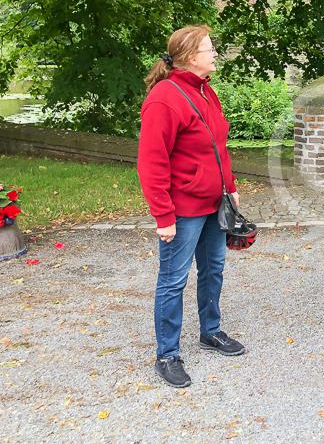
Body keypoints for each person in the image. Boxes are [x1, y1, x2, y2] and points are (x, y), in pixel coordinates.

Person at [138, 25, 245, 388]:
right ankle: (167, 354)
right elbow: (152, 163)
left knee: (213, 270)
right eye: (209, 49)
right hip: (182, 210)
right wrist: (163, 216)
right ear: (188, 57)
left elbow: (218, 147)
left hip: (215, 205)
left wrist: (229, 189)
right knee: (173, 280)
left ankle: (210, 331)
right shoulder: (164, 98)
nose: (215, 53)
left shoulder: (206, 92)